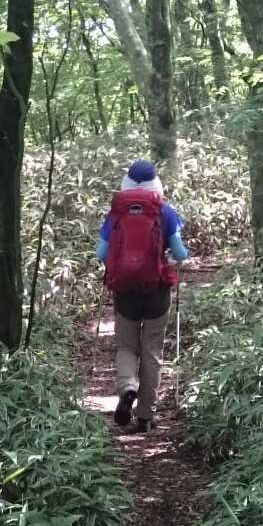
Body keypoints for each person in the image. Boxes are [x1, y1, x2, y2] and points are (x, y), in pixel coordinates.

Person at [96, 159, 188, 433]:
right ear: (156, 182)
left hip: (125, 291)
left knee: (126, 346)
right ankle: (146, 415)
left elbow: (100, 253)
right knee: (152, 350)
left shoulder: (116, 213)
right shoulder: (165, 211)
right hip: (157, 291)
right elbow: (180, 254)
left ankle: (128, 386)